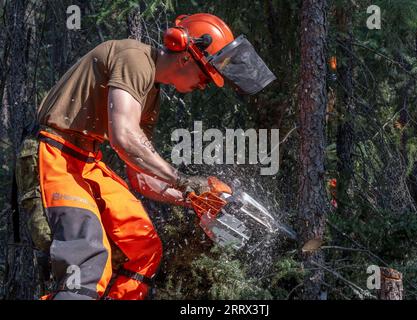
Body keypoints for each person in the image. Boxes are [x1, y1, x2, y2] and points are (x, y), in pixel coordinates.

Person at [15, 13, 275, 300]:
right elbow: (124, 136)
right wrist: (182, 179)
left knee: (142, 246)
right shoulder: (134, 58)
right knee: (87, 254)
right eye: (205, 75)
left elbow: (141, 177)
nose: (204, 85)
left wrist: (194, 198)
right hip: (54, 154)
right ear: (186, 56)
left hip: (87, 162)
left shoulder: (151, 94)